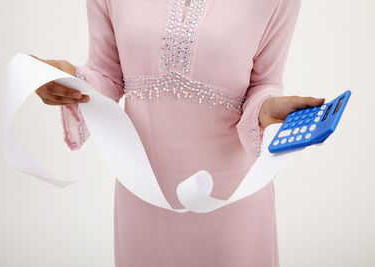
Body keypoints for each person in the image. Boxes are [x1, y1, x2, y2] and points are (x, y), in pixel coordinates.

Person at [32, 0, 324, 266]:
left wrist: (268, 108)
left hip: (230, 192)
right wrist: (69, 78)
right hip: (144, 186)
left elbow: (264, 82)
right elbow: (107, 74)